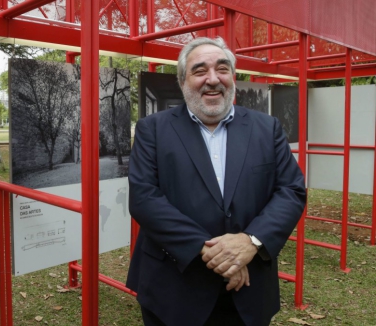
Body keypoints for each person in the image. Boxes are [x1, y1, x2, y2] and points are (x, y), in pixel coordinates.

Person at [126, 37, 306, 326]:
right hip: (174, 288)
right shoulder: (153, 130)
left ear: (232, 77)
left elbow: (291, 191)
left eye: (222, 69)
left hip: (249, 290)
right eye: (200, 71)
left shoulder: (266, 127)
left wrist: (251, 242)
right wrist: (222, 256)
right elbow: (145, 198)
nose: (213, 79)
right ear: (183, 80)